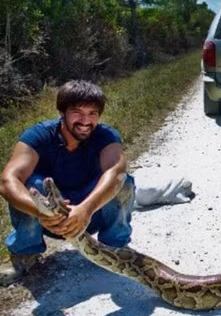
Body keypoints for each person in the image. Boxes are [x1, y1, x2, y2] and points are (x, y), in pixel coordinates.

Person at [0, 80, 135, 284]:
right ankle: (25, 255)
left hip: (90, 215)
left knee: (123, 182)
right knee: (30, 184)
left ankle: (115, 250)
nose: (85, 120)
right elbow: (8, 180)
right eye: (77, 112)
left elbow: (116, 172)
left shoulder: (106, 135)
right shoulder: (39, 135)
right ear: (62, 112)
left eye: (93, 113)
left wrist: (86, 209)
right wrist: (40, 212)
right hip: (48, 218)